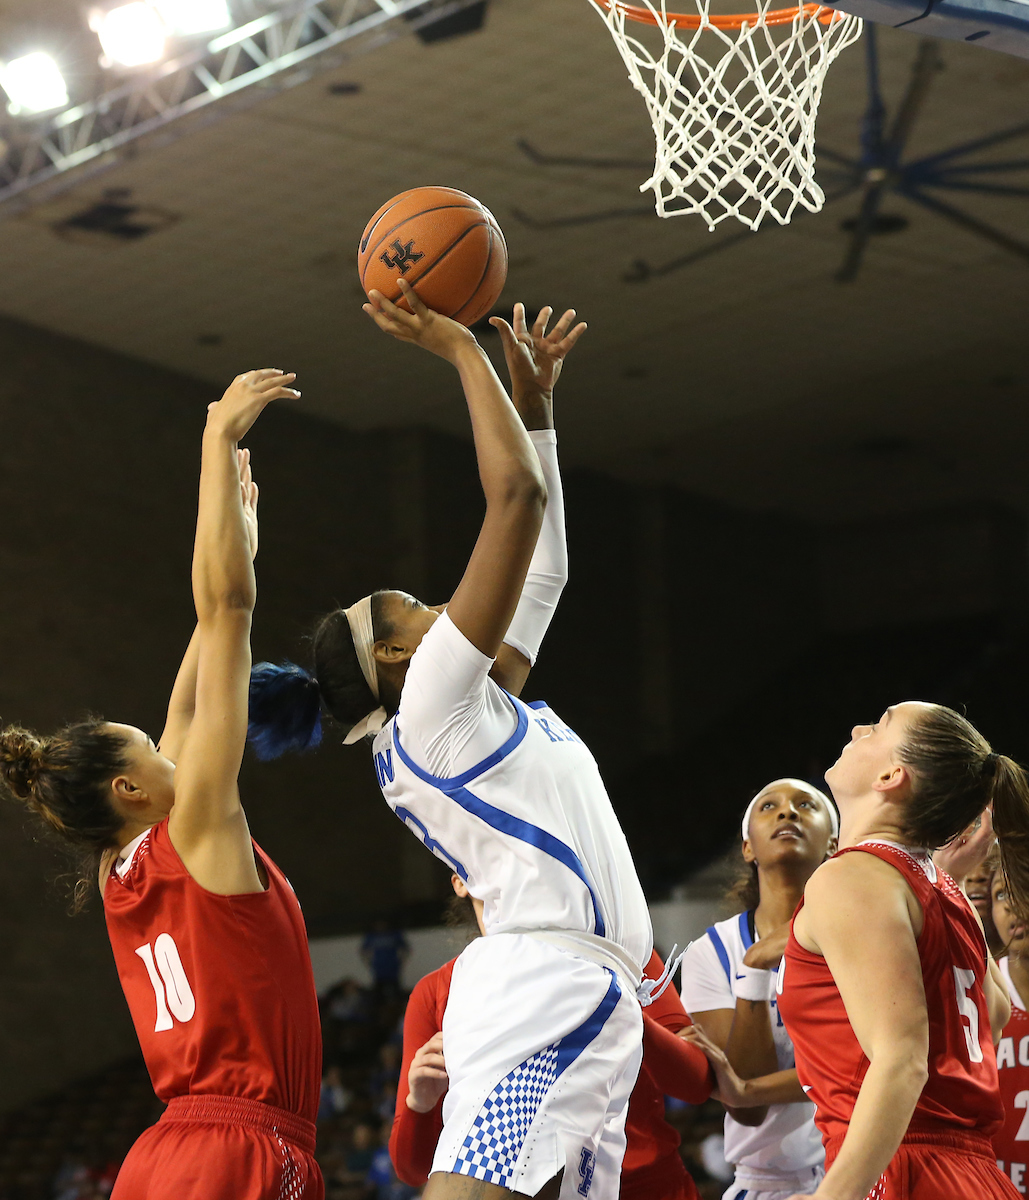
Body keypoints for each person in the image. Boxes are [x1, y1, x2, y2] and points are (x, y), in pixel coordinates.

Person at [248, 285, 655, 1200]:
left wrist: (537, 406)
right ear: (395, 653)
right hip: (545, 982)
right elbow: (514, 498)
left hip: (560, 985)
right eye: (419, 606)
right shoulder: (431, 703)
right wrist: (458, 350)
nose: (442, 605)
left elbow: (540, 573)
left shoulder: (457, 715)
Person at [0, 370, 324, 1200]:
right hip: (242, 1150)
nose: (170, 746)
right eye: (151, 749)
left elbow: (193, 680)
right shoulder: (200, 829)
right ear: (129, 790)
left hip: (158, 1159)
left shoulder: (122, 872)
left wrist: (238, 544)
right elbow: (225, 615)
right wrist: (218, 447)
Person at [691, 703, 1026, 1200]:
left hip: (901, 1170)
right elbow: (992, 1016)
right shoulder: (946, 893)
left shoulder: (852, 877)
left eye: (880, 725)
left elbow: (903, 1062)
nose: (858, 728)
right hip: (974, 1174)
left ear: (892, 776)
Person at [390, 876, 714, 1200]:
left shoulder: (624, 956)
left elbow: (697, 1082)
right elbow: (411, 1170)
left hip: (650, 1189)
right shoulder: (436, 992)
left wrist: (617, 1010)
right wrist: (419, 1104)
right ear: (461, 881)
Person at [679, 780, 837, 1200]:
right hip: (767, 1184)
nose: (788, 813)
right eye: (770, 806)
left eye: (806, 805)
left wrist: (748, 1089)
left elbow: (871, 1067)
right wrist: (753, 970)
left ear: (834, 844)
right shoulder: (711, 952)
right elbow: (746, 1110)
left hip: (864, 1175)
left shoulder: (862, 935)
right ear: (748, 847)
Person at [989, 859, 1029, 1193]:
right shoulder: (980, 986)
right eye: (1002, 893)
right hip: (993, 1185)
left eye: (1022, 887)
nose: (1013, 904)